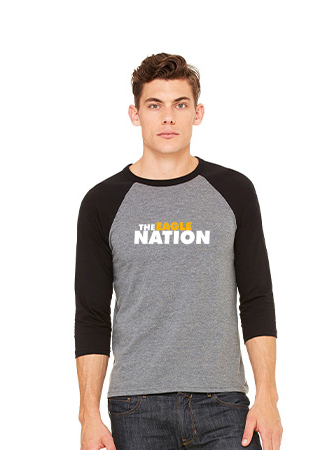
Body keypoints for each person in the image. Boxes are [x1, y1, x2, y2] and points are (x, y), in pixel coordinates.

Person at [74, 52, 282, 450]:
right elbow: (92, 315)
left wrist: (268, 397)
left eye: (180, 105)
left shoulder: (235, 191)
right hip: (136, 407)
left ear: (197, 113)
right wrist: (89, 416)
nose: (168, 118)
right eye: (155, 105)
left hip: (224, 404)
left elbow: (257, 298)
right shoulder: (102, 202)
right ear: (135, 114)